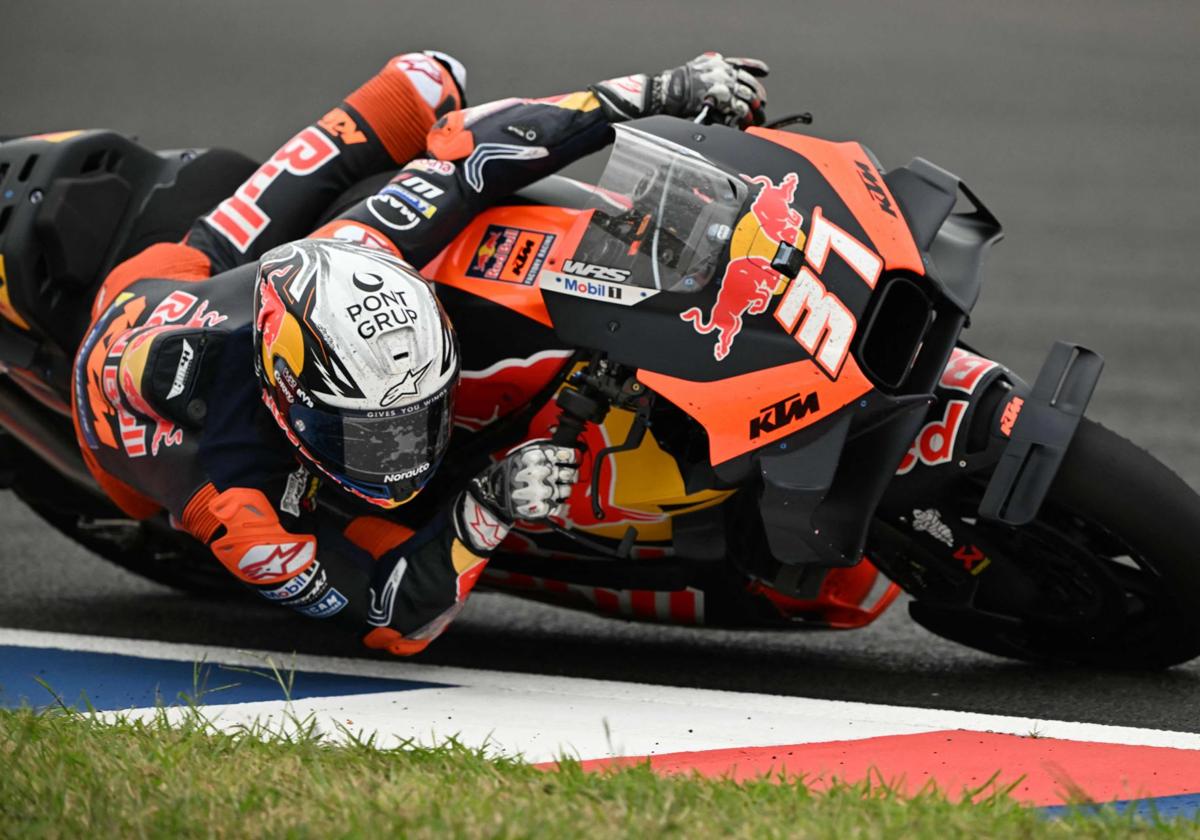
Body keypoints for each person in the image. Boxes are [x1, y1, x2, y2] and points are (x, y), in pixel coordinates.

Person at [71, 51, 770, 655]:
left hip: (225, 293)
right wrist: (488, 506)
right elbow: (391, 621)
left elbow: (478, 151)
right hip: (151, 317)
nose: (410, 452)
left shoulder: (359, 249)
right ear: (292, 403)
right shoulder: (244, 513)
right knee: (160, 497)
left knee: (427, 80)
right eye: (374, 434)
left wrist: (659, 91)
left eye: (419, 416)